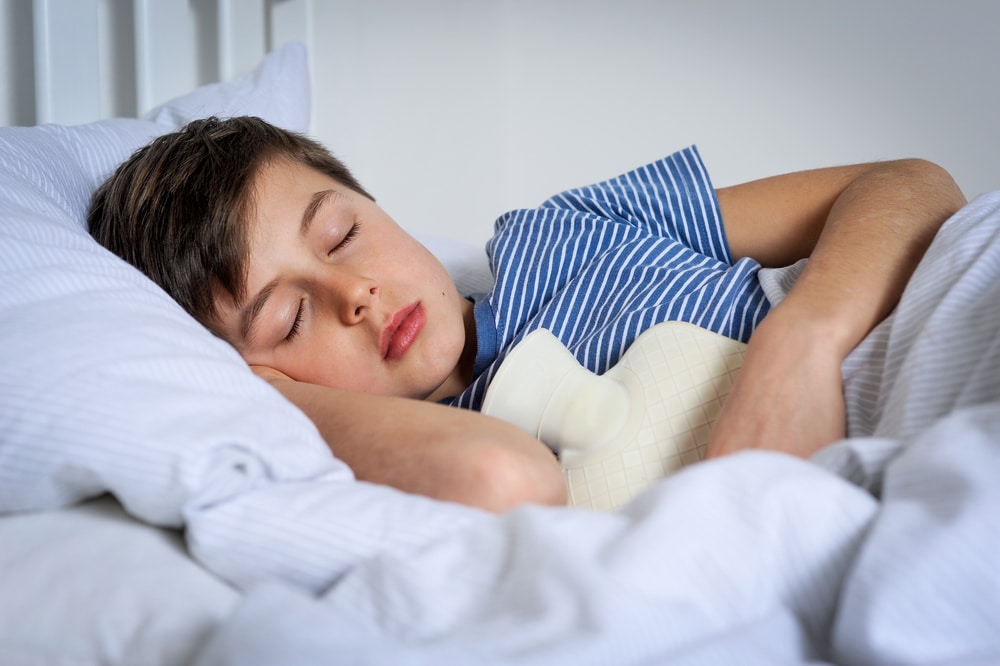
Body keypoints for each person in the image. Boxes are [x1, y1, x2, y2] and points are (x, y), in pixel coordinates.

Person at [87, 116, 967, 512]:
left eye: (345, 233)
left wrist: (798, 347)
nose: (352, 294)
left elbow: (910, 186)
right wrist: (256, 395)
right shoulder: (416, 465)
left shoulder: (564, 231)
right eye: (289, 321)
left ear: (378, 205)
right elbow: (505, 480)